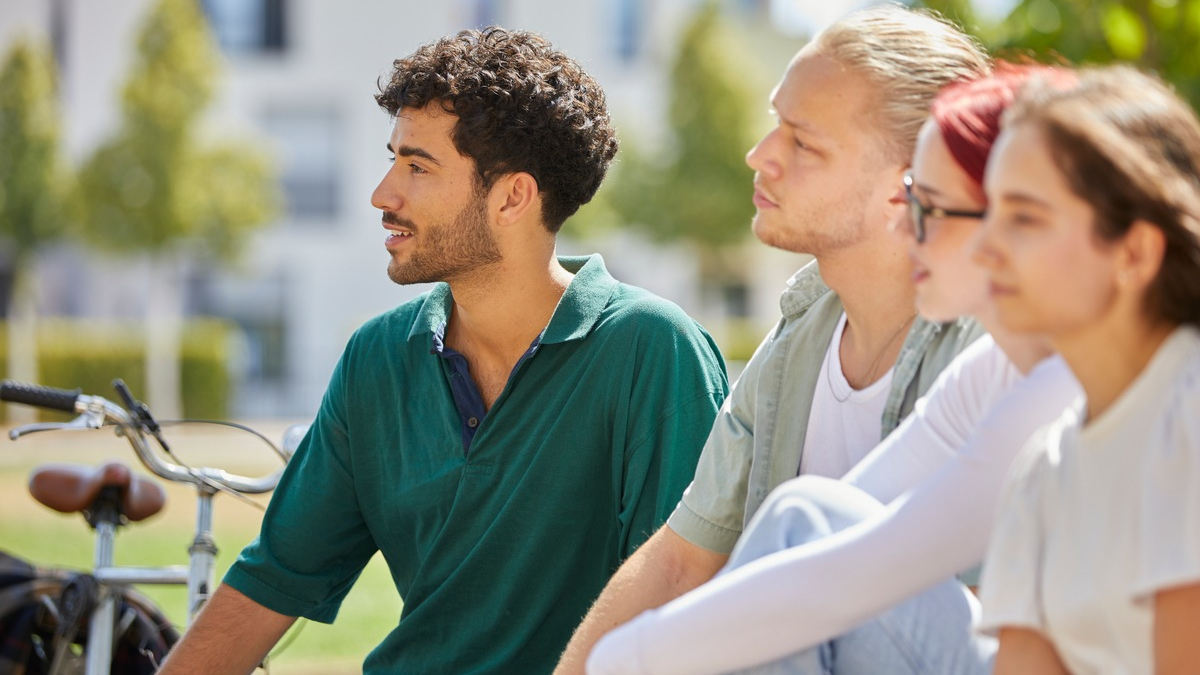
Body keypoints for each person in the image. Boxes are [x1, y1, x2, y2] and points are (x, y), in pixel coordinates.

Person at [156, 28, 729, 675]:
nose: (383, 194)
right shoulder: (377, 357)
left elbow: (685, 605)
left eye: (417, 166)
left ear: (512, 196)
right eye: (393, 158)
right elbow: (273, 577)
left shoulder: (651, 351)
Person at [585, 64, 1084, 675]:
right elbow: (834, 545)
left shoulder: (1125, 393)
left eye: (926, 206)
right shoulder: (994, 372)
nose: (903, 226)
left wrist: (622, 662)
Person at [976, 66, 1200, 674]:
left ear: (1135, 252)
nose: (983, 247)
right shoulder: (1041, 472)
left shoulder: (1189, 417)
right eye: (988, 211)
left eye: (1023, 217)